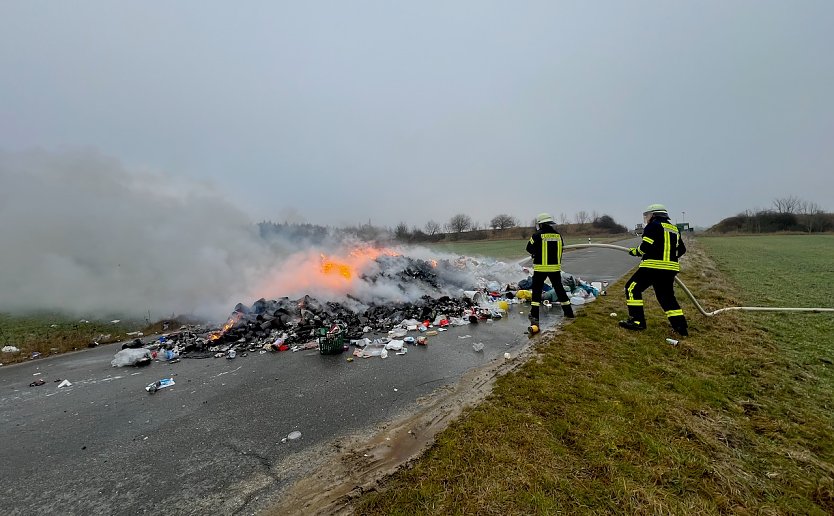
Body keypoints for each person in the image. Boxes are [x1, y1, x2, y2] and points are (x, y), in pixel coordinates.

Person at [619, 204, 688, 336]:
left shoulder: (653, 226)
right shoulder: (674, 229)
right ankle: (681, 327)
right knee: (666, 297)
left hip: (652, 267)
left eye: (648, 215)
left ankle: (637, 321)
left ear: (654, 215)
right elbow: (682, 250)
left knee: (632, 288)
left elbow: (645, 247)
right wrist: (669, 259)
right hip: (670, 269)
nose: (647, 218)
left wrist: (635, 252)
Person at [526, 213, 574, 325]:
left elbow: (529, 248)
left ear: (541, 224)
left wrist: (535, 253)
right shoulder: (558, 235)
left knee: (536, 291)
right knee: (559, 290)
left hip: (540, 268)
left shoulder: (537, 235)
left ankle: (535, 315)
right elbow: (561, 248)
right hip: (555, 268)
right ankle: (569, 313)